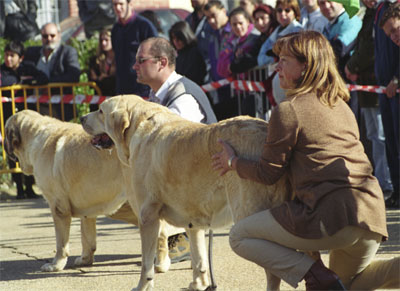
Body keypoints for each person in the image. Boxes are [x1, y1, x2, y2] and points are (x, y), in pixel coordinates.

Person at [212, 31, 399, 290]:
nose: (276, 66)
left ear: (305, 67)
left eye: (284, 60)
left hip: (330, 217)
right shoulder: (341, 104)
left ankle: (314, 274)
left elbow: (268, 174)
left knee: (239, 235)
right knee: (348, 286)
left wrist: (233, 162)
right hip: (371, 217)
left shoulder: (289, 110)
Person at [133, 36, 217, 263]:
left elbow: (174, 151)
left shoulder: (183, 97)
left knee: (142, 194)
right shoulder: (159, 92)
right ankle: (171, 236)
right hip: (183, 176)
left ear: (161, 62)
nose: (135, 66)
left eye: (141, 60)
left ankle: (179, 239)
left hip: (200, 181)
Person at [344, 0, 393, 199]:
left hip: (379, 85)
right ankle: (383, 183)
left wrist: (352, 66)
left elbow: (370, 49)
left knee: (382, 137)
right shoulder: (370, 14)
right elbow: (362, 43)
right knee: (375, 136)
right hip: (370, 87)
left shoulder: (386, 10)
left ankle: (387, 184)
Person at [1, 41, 48, 200]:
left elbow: (43, 78)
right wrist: (19, 82)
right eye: (6, 55)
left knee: (28, 152)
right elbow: (6, 83)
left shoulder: (28, 68)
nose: (8, 59)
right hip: (8, 118)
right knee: (13, 153)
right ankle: (19, 188)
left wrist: (28, 82)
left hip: (27, 119)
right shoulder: (2, 71)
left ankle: (29, 187)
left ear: (20, 58)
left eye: (12, 56)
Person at [24, 22, 81, 121]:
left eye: (52, 35)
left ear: (59, 35)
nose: (49, 39)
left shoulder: (68, 52)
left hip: (60, 108)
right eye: (45, 36)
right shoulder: (32, 53)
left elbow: (74, 75)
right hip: (36, 109)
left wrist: (47, 83)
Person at [374, 0, 399, 208]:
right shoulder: (379, 11)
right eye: (389, 33)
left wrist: (397, 78)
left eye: (395, 30)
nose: (394, 37)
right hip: (384, 87)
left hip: (395, 86)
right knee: (391, 144)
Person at [217, 7, 259, 116]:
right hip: (240, 91)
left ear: (248, 22)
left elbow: (244, 63)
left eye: (241, 23)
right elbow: (221, 68)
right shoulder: (230, 40)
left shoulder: (255, 37)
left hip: (256, 91)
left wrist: (234, 65)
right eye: (234, 24)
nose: (238, 27)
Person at [111, 0, 158, 96]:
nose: (118, 8)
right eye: (115, 4)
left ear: (130, 4)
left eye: (121, 4)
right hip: (122, 88)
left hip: (143, 89)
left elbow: (157, 55)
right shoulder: (116, 29)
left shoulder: (144, 26)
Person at [203, 0, 235, 121]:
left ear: (223, 11)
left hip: (235, 88)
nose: (211, 21)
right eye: (207, 18)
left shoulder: (233, 30)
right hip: (219, 87)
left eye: (213, 16)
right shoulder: (213, 34)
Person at [168, 21, 207, 86]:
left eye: (179, 38)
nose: (176, 41)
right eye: (173, 38)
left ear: (185, 36)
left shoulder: (194, 53)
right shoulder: (179, 54)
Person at [88, 28, 116, 96]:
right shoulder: (95, 60)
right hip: (100, 97)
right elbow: (92, 80)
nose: (103, 43)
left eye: (106, 40)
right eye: (101, 40)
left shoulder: (120, 59)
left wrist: (105, 78)